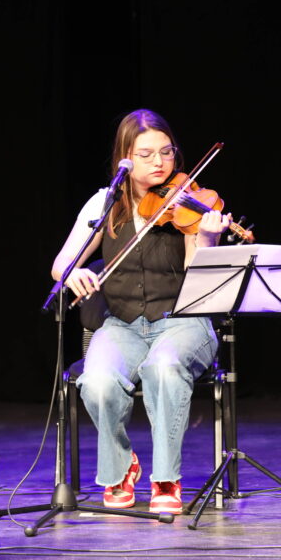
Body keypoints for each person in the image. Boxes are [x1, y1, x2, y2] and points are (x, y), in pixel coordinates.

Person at [52, 109, 229, 514]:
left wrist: (206, 237)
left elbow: (198, 276)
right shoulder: (105, 202)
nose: (159, 162)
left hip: (182, 322)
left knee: (164, 368)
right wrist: (74, 272)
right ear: (125, 161)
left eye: (166, 152)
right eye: (146, 155)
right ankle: (121, 467)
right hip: (123, 324)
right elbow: (61, 264)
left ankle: (166, 477)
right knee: (96, 381)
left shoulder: (189, 203)